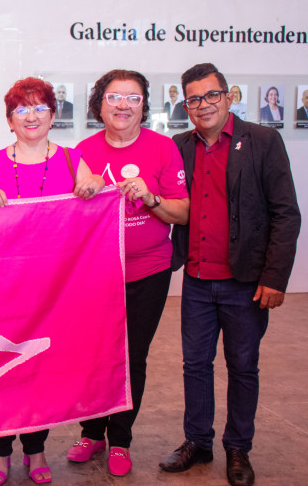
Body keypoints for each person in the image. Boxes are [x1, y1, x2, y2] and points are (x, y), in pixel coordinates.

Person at [160, 63, 301, 486]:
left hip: (245, 282)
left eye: (211, 95)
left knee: (243, 367)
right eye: (193, 99)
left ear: (228, 96)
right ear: (185, 104)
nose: (202, 105)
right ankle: (197, 442)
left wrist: (275, 278)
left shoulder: (263, 141)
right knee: (195, 366)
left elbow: (286, 214)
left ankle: (238, 448)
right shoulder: (179, 145)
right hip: (198, 280)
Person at [0, 77, 104, 485]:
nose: (31, 116)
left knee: (40, 373)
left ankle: (35, 450)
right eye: (21, 110)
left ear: (53, 116)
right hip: (1, 289)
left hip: (53, 291)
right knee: (2, 369)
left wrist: (94, 186)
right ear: (10, 121)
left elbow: (95, 193)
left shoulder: (71, 160)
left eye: (40, 108)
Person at [66, 69, 190, 477]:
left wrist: (151, 198)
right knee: (95, 353)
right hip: (96, 274)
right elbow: (65, 220)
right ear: (99, 104)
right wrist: (79, 195)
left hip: (149, 271)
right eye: (114, 97)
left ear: (143, 105)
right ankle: (92, 432)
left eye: (132, 98)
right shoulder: (81, 151)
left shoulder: (163, 148)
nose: (123, 106)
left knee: (133, 355)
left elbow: (182, 210)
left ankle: (120, 439)